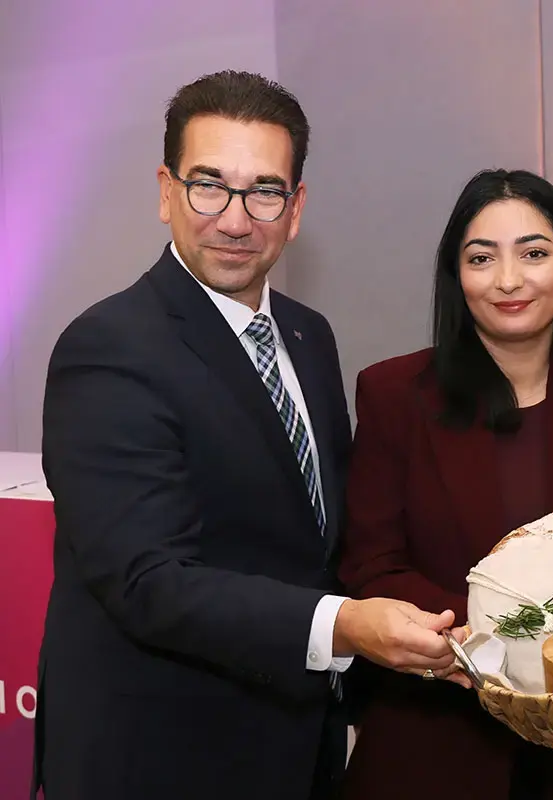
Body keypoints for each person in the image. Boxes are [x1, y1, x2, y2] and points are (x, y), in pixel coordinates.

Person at [34, 71, 462, 800]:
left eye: (264, 190)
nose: (236, 219)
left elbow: (321, 536)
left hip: (296, 745)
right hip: (161, 757)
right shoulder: (108, 347)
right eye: (210, 185)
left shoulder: (307, 333)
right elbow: (148, 582)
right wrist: (348, 626)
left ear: (295, 210)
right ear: (166, 191)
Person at [336, 169, 553, 799]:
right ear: (456, 275)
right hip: (437, 733)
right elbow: (371, 564)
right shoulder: (393, 395)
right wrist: (508, 637)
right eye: (481, 258)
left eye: (535, 253)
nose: (509, 280)